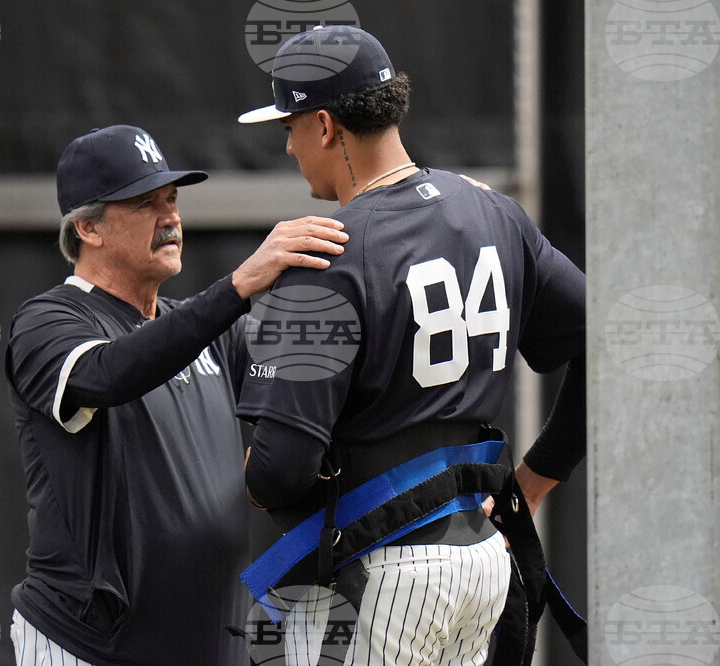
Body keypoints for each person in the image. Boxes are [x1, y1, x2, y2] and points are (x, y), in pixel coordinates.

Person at [236, 26, 585, 665]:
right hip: (482, 556)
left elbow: (281, 472)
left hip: (380, 570)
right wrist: (533, 483)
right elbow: (605, 343)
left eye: (288, 126)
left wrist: (251, 476)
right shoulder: (494, 213)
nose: (286, 146)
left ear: (323, 125)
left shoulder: (325, 252)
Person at [4, 124, 349, 665]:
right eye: (145, 204)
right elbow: (110, 374)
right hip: (91, 646)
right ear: (89, 228)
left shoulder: (202, 328)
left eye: (172, 199)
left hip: (209, 641)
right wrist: (236, 288)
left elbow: (301, 386)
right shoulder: (50, 321)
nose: (170, 218)